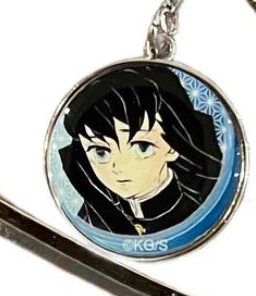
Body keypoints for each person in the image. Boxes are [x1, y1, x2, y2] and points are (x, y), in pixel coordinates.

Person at [57, 66, 224, 237]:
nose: (119, 166)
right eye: (101, 152)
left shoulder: (201, 211)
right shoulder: (93, 215)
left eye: (142, 147)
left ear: (173, 147)